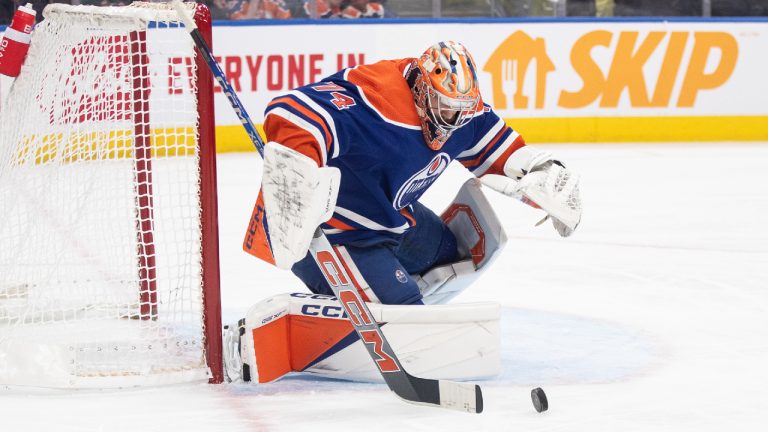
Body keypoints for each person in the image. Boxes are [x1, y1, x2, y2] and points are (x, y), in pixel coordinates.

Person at [244, 41, 582, 306]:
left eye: (462, 110)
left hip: (390, 217)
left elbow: (503, 153)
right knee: (403, 312)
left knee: (454, 256)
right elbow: (290, 111)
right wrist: (295, 185)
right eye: (447, 108)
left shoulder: (463, 112)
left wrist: (546, 183)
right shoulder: (378, 99)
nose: (455, 120)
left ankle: (381, 290)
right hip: (333, 231)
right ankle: (374, 300)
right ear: (421, 89)